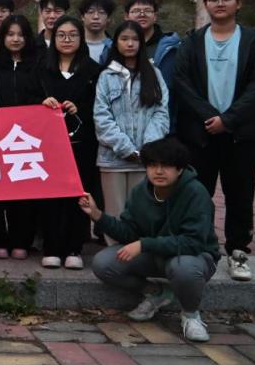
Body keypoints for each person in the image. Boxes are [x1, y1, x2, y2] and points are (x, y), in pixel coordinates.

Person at [174, 0, 255, 282]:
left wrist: (228, 120)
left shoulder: (253, 41)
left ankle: (238, 251)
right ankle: (200, 247)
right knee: (198, 193)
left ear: (238, 3)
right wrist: (210, 117)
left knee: (240, 194)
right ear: (205, 4)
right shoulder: (192, 41)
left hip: (240, 134)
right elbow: (182, 82)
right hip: (200, 135)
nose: (220, 4)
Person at [80, 137, 219, 342]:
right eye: (153, 165)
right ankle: (157, 293)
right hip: (155, 255)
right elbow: (129, 232)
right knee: (104, 263)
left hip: (193, 256)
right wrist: (97, 215)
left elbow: (193, 242)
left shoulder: (195, 193)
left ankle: (191, 315)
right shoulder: (141, 191)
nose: (159, 171)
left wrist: (144, 244)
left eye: (166, 166)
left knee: (184, 269)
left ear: (180, 169)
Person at [35, 14, 102, 270]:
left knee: (79, 192)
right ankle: (51, 247)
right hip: (48, 144)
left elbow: (100, 103)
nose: (67, 40)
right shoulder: (41, 67)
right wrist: (42, 103)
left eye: (73, 35)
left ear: (81, 39)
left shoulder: (93, 70)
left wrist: (81, 108)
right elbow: (29, 97)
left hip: (82, 143)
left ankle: (75, 247)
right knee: (51, 195)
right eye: (61, 35)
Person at [94, 21, 169, 237]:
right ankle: (116, 254)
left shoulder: (154, 74)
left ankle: (141, 251)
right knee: (116, 213)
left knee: (144, 212)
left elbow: (162, 113)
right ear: (116, 43)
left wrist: (146, 148)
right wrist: (126, 148)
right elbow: (101, 117)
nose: (130, 44)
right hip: (113, 159)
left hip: (146, 159)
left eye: (135, 39)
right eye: (124, 39)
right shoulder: (106, 76)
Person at [0, 14, 41, 259]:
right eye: (10, 34)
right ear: (2, 37)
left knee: (24, 192)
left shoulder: (39, 64)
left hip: (28, 138)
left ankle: (21, 240)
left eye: (21, 34)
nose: (16, 39)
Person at [79, 0, 116, 64]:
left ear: (108, 18)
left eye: (101, 12)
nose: (96, 17)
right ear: (82, 17)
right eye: (90, 12)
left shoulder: (115, 47)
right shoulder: (73, 45)